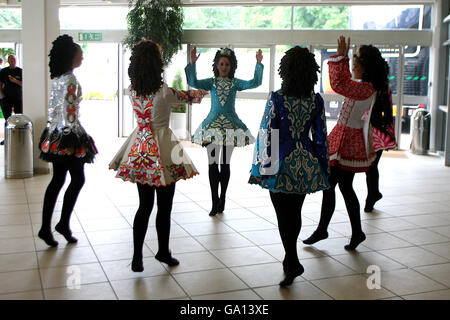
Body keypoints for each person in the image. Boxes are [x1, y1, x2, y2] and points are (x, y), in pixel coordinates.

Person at [109, 40, 207, 272]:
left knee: (144, 206)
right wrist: (205, 89)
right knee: (164, 207)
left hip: (140, 147)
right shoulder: (164, 92)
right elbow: (190, 97)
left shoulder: (133, 90)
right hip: (163, 149)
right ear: (156, 64)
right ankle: (163, 251)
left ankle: (137, 257)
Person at [249, 46, 330, 287]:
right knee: (294, 212)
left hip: (280, 163)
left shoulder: (277, 97)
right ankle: (289, 259)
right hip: (305, 164)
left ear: (286, 71)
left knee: (282, 212)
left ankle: (292, 259)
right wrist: (323, 165)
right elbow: (321, 136)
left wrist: (264, 166)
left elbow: (267, 132)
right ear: (310, 73)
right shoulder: (315, 100)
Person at [303, 36, 381, 251]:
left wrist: (340, 57)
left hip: (349, 140)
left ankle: (347, 231)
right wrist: (343, 59)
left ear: (365, 67)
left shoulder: (365, 88)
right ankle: (346, 231)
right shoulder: (362, 86)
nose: (353, 67)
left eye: (356, 63)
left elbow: (339, 83)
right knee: (337, 187)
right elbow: (344, 82)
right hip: (344, 137)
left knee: (340, 187)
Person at [185, 47, 263, 216]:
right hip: (211, 126)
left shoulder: (235, 83)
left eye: (227, 64)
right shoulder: (211, 82)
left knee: (225, 164)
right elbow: (194, 82)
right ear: (216, 65)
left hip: (231, 126)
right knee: (212, 164)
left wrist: (258, 64)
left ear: (232, 66)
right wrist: (192, 64)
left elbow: (254, 82)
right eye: (221, 63)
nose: (224, 66)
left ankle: (223, 197)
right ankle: (214, 201)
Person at [37, 35, 98, 247]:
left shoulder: (59, 78)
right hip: (67, 135)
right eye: (80, 54)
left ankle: (49, 227)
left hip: (54, 134)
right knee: (76, 179)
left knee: (58, 180)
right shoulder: (70, 80)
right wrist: (78, 135)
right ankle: (60, 224)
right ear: (72, 56)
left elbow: (55, 110)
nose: (83, 56)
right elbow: (70, 115)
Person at [362, 46, 396, 212]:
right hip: (378, 131)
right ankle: (373, 194)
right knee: (372, 166)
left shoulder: (368, 87)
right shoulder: (382, 85)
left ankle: (372, 195)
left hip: (371, 131)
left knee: (370, 166)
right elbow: (388, 113)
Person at [0, 54, 22, 145]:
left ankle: (18, 138)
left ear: (16, 61)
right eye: (11, 59)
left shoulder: (20, 71)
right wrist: (2, 96)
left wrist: (15, 81)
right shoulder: (4, 71)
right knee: (7, 119)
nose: (12, 61)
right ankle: (7, 139)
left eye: (14, 59)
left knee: (18, 119)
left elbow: (24, 84)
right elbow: (0, 84)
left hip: (18, 98)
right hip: (6, 99)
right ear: (8, 61)